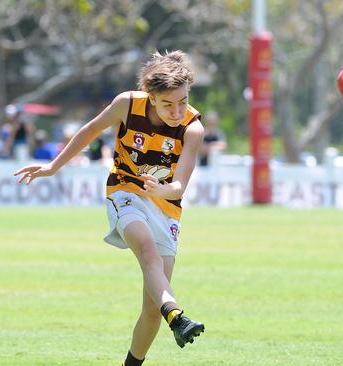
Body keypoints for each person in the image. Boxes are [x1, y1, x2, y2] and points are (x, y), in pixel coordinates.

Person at [14, 50, 205, 366]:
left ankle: (145, 346)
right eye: (168, 104)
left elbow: (180, 186)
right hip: (124, 191)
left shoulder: (192, 129)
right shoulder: (127, 104)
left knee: (150, 310)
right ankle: (177, 316)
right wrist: (53, 166)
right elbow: (89, 131)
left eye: (183, 101)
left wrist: (162, 189)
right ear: (150, 96)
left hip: (166, 208)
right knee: (147, 254)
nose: (177, 111)